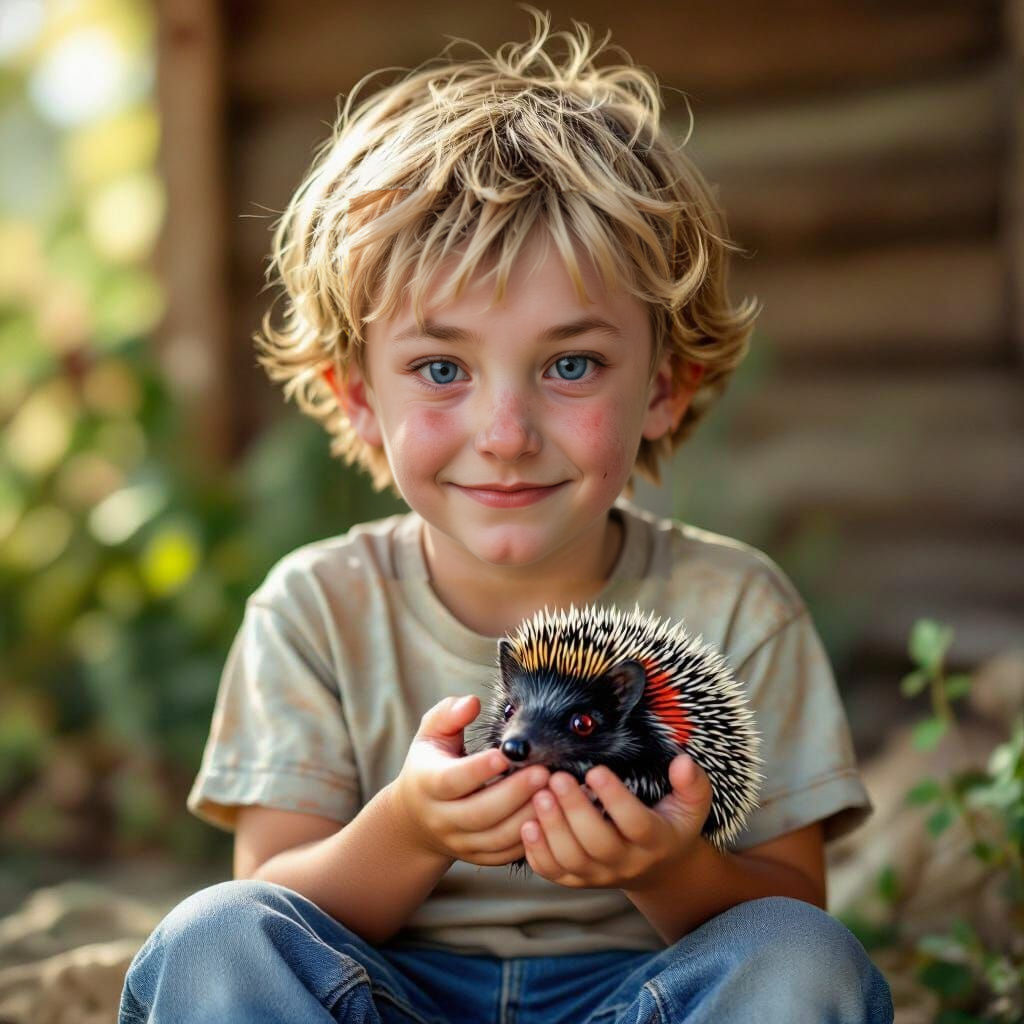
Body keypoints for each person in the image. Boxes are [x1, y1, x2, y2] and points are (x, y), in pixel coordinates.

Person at [119, 10, 893, 1023]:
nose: (505, 431)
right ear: (356, 395)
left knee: (800, 961)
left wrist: (666, 869)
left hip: (644, 999)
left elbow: (794, 912)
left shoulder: (736, 605)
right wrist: (409, 827)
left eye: (569, 365)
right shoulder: (314, 609)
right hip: (382, 997)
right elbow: (268, 895)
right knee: (211, 937)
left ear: (664, 385)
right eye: (441, 369)